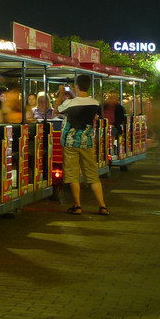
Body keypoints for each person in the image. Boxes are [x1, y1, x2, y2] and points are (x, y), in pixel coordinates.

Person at [55, 74, 108, 215]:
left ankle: (77, 206)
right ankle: (102, 206)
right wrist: (74, 93)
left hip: (70, 142)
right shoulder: (95, 103)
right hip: (87, 141)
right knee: (92, 174)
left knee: (73, 175)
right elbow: (82, 102)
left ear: (77, 85)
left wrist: (61, 94)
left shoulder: (70, 103)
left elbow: (56, 110)